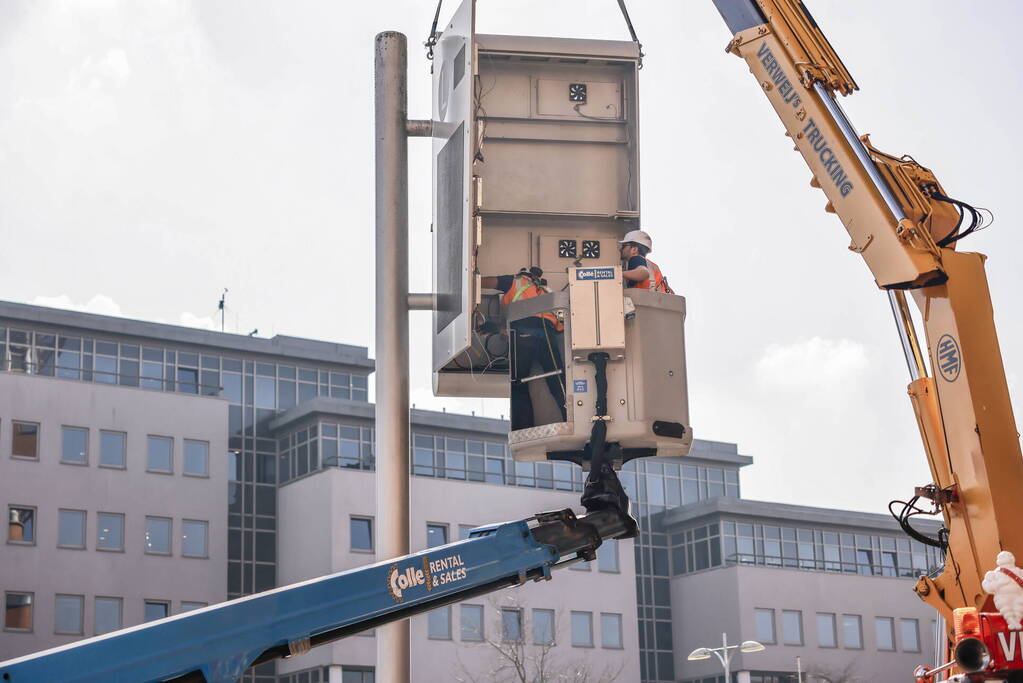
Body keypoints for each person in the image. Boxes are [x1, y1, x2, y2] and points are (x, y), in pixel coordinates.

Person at [480, 268, 567, 431]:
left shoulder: (514, 281)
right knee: (558, 382)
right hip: (547, 336)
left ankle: (524, 428)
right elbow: (559, 327)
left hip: (523, 335)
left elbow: (483, 282)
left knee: (519, 384)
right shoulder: (545, 291)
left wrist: (471, 278)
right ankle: (572, 420)